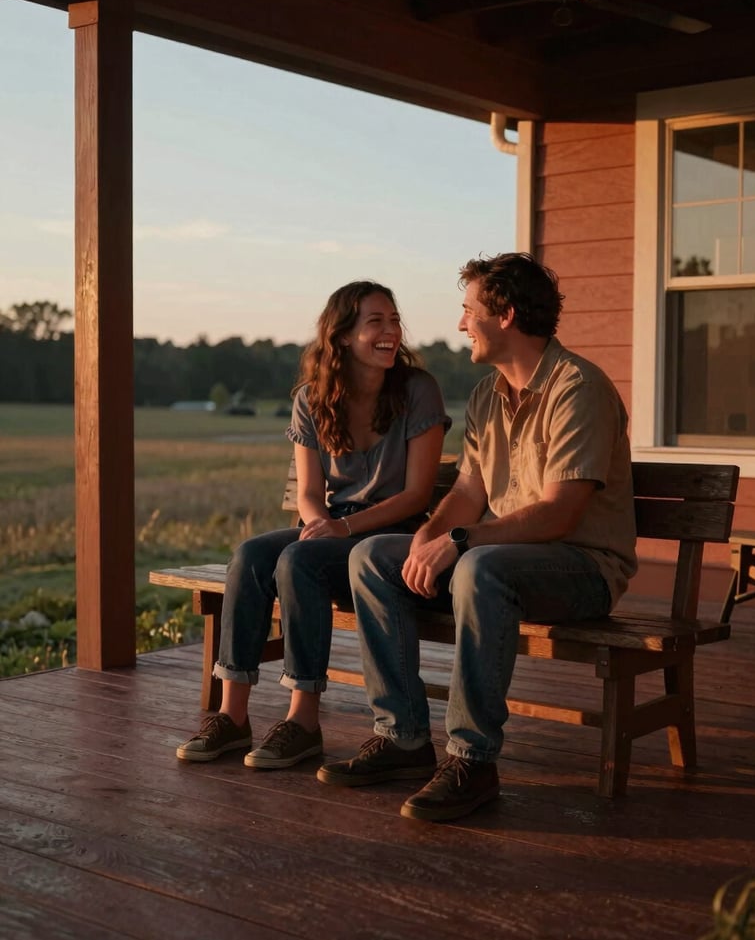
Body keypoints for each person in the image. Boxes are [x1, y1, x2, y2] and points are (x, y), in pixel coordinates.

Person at [317, 253, 638, 821]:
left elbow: (559, 516)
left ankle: (472, 760)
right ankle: (404, 740)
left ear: (506, 315)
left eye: (469, 310)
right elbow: (468, 490)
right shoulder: (490, 394)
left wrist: (460, 542)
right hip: (501, 563)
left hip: (581, 569)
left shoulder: (577, 389)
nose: (461, 323)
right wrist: (429, 538)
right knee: (371, 557)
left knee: (477, 568)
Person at [177, 280, 451, 769]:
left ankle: (303, 721)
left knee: (300, 560)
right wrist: (321, 523)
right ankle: (232, 716)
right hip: (339, 527)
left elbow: (416, 495)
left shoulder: (417, 390)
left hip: (395, 535)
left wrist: (340, 531)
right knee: (251, 555)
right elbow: (307, 493)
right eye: (376, 322)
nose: (391, 331)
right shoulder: (312, 398)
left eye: (394, 321)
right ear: (343, 335)